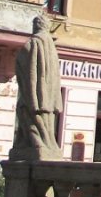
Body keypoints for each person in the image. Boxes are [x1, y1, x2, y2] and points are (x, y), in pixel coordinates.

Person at [10, 14, 62, 161]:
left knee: (27, 117)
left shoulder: (33, 43)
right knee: (47, 125)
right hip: (48, 97)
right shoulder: (50, 45)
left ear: (36, 25)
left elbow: (23, 66)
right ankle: (48, 144)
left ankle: (37, 144)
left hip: (33, 95)